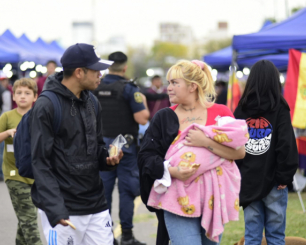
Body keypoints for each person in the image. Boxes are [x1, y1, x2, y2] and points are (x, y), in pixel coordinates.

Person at [138, 60, 246, 245]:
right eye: (168, 83)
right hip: (177, 199)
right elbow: (145, 157)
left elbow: (239, 153)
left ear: (192, 87)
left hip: (213, 201)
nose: (168, 88)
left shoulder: (221, 112)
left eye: (174, 83)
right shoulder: (164, 117)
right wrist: (172, 172)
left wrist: (205, 142)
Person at [30, 43, 123, 245]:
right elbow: (39, 161)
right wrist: (55, 208)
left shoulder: (93, 102)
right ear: (79, 72)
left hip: (96, 203)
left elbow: (97, 147)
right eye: (96, 70)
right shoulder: (47, 105)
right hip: (63, 207)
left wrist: (108, 158)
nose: (101, 74)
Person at [234, 60, 299, 245]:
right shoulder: (280, 107)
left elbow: (233, 143)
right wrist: (284, 177)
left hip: (249, 181)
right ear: (274, 80)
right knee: (276, 236)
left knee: (252, 236)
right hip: (274, 182)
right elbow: (286, 145)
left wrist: (239, 175)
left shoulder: (241, 109)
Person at [94, 51, 149, 245]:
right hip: (125, 147)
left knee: (104, 192)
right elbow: (142, 118)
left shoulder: (95, 86)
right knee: (126, 191)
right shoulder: (129, 88)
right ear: (125, 67)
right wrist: (144, 102)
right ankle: (126, 235)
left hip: (101, 147)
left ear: (108, 66)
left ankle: (105, 236)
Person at [0, 78, 42, 245]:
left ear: (35, 97)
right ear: (13, 97)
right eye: (19, 93)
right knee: (29, 221)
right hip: (14, 175)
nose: (22, 96)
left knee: (25, 218)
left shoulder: (40, 117)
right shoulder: (7, 116)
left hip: (36, 175)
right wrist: (8, 133)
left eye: (27, 93)